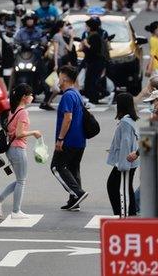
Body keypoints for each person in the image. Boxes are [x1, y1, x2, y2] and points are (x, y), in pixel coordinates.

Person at [0, 84, 41, 219]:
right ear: (24, 97)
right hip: (18, 148)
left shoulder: (13, 110)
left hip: (11, 149)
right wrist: (34, 132)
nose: (32, 97)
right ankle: (16, 211)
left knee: (19, 180)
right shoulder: (23, 112)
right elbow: (20, 133)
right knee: (21, 181)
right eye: (30, 95)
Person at [52, 66, 88, 210]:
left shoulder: (67, 95)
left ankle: (78, 193)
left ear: (65, 78)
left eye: (59, 76)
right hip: (80, 140)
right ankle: (74, 200)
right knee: (73, 169)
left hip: (69, 139)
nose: (58, 79)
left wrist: (60, 138)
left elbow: (68, 118)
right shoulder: (77, 94)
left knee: (56, 167)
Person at [106, 92, 140, 217]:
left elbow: (126, 143)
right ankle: (129, 213)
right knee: (123, 187)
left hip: (125, 162)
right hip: (128, 160)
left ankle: (124, 215)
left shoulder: (125, 122)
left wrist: (123, 165)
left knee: (120, 188)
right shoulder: (130, 120)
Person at [80, 17, 109, 103]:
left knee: (92, 81)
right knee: (90, 81)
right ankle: (93, 98)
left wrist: (86, 44)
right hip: (92, 62)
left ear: (90, 27)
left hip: (96, 62)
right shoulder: (92, 35)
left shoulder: (95, 36)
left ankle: (105, 94)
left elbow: (94, 50)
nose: (85, 27)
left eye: (87, 26)